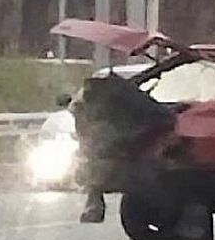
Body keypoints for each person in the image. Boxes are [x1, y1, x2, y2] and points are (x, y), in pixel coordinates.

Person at [70, 72, 176, 223]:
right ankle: (94, 200)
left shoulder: (129, 105)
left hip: (143, 154)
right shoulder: (94, 111)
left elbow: (161, 120)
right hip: (125, 154)